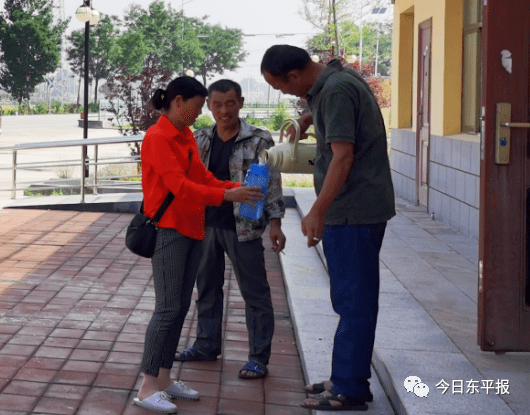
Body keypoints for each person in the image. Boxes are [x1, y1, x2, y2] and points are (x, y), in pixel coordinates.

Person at [261, 45, 395, 412]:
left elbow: (343, 155)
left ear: (294, 76)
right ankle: (345, 377)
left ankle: (349, 388)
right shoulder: (336, 80)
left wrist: (316, 210)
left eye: (282, 87)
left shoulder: (334, 91)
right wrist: (309, 120)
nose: (286, 94)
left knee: (354, 302)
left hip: (352, 211)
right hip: (357, 208)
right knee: (350, 299)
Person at [135, 76, 264, 414]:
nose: (199, 114)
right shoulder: (158, 136)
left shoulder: (186, 136)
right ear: (177, 102)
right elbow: (179, 186)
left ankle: (163, 378)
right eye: (196, 107)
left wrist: (235, 187)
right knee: (166, 309)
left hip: (193, 228)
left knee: (179, 307)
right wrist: (227, 195)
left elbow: (201, 178)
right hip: (169, 230)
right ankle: (147, 385)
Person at [174, 79, 286, 380]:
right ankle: (206, 345)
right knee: (206, 288)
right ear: (208, 105)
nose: (224, 111)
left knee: (256, 293)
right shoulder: (199, 138)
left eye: (231, 103)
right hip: (204, 225)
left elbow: (271, 185)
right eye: (217, 104)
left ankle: (258, 358)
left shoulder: (259, 140)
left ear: (241, 102)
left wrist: (275, 224)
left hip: (244, 226)